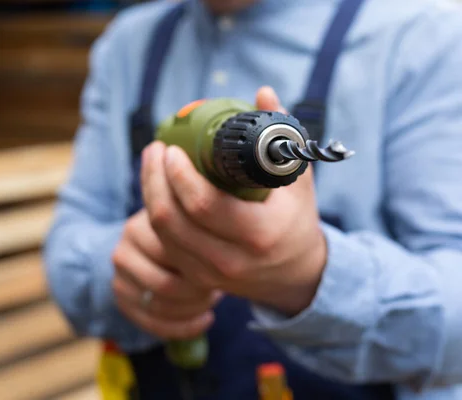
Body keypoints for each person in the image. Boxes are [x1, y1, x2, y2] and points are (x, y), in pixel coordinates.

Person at [43, 0, 462, 398]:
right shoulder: (128, 46)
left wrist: (311, 279)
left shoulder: (425, 35)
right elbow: (66, 259)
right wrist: (130, 274)